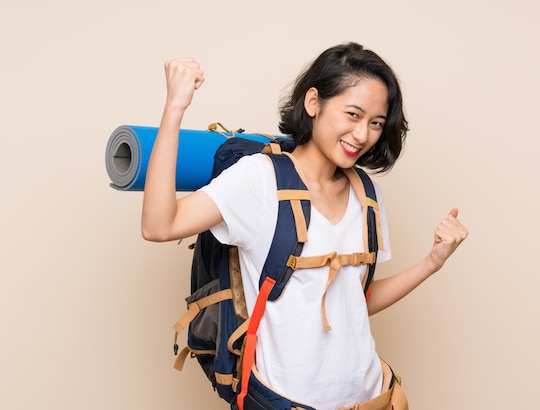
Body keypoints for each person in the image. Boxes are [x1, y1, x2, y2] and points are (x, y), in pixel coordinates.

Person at [141, 42, 468, 410]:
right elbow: (159, 225)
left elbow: (355, 302)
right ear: (313, 102)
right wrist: (175, 108)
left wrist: (432, 262)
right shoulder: (259, 181)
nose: (363, 135)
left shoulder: (366, 193)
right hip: (289, 402)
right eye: (353, 114)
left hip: (377, 396)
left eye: (375, 123)